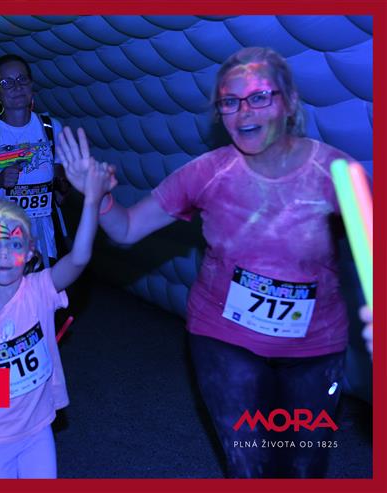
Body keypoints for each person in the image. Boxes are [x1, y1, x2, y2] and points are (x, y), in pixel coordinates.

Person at [57, 46, 358, 478]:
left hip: (315, 346)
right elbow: (126, 229)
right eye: (229, 102)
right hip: (224, 340)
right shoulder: (207, 172)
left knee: (304, 466)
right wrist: (97, 196)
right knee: (249, 465)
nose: (243, 112)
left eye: (259, 97)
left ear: (290, 102)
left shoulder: (335, 172)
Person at [0, 161, 114, 479]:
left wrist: (92, 200)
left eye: (14, 244)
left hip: (38, 431)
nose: (3, 254)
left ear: (31, 251)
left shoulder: (40, 289)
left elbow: (79, 258)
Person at [0, 54, 70, 268]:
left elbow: (60, 191)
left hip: (45, 243)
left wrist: (65, 185)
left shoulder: (51, 128)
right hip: (2, 241)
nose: (17, 87)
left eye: (22, 79)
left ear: (31, 84)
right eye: (6, 83)